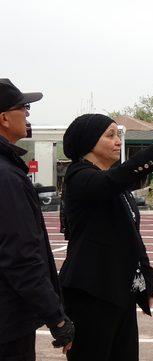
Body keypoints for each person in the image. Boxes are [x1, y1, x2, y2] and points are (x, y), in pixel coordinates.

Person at [59, 109, 153, 361]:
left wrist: (146, 277)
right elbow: (113, 182)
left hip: (119, 290)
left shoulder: (113, 184)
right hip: (91, 292)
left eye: (118, 134)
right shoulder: (79, 177)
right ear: (87, 141)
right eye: (110, 135)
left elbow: (130, 234)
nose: (118, 141)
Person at [0, 79, 74, 361]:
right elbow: (20, 256)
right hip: (7, 321)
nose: (29, 113)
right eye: (24, 107)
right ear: (4, 118)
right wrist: (56, 318)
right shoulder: (6, 176)